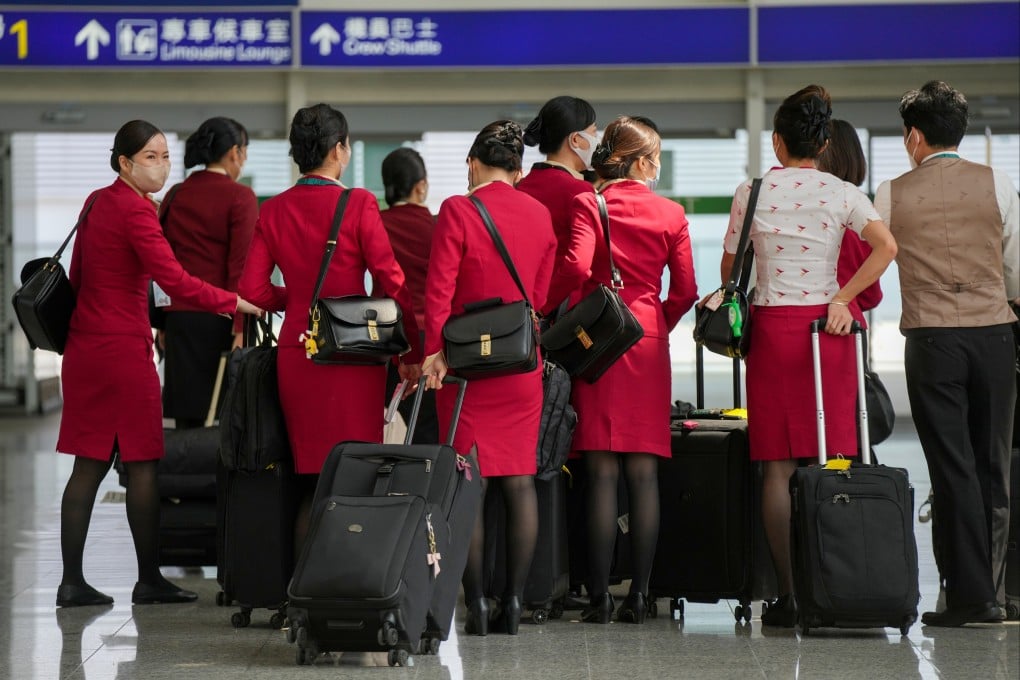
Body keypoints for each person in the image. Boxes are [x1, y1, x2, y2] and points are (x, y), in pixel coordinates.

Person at [55, 120, 263, 608]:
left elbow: (80, 275)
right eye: (151, 156)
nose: (162, 165)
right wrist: (233, 302)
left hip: (85, 348)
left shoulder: (96, 202)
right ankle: (149, 579)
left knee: (88, 464)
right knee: (144, 462)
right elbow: (175, 278)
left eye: (166, 155)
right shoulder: (136, 211)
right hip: (123, 353)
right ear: (125, 163)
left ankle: (71, 581)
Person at [717, 86, 896, 627]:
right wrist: (842, 297)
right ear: (822, 142)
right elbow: (887, 247)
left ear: (777, 141)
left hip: (771, 331)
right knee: (834, 459)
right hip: (828, 333)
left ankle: (789, 594)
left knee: (775, 466)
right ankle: (833, 588)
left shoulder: (752, 191)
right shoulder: (842, 192)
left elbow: (730, 274)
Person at [237, 103, 422, 557]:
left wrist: (299, 302)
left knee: (309, 476)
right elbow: (391, 281)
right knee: (354, 471)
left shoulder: (274, 209)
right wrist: (410, 350)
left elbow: (253, 290)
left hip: (298, 353)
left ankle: (303, 589)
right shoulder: (357, 203)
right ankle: (347, 581)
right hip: (354, 354)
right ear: (340, 150)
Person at [541, 115, 698, 624]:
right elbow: (687, 291)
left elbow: (575, 267)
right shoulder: (671, 212)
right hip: (646, 342)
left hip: (600, 343)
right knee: (644, 472)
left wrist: (550, 308)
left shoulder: (592, 202)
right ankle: (641, 594)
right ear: (642, 161)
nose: (657, 168)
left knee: (602, 470)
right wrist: (655, 324)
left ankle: (601, 597)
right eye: (654, 159)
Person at [873, 80, 1019, 627]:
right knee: (993, 465)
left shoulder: (891, 193)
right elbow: (1016, 271)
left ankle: (966, 594)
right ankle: (996, 593)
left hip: (932, 341)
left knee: (951, 467)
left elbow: (874, 262)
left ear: (914, 136)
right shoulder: (997, 184)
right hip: (995, 336)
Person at [421, 120, 556, 636]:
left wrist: (437, 352)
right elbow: (539, 296)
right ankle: (515, 603)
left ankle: (475, 603)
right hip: (522, 364)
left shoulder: (459, 208)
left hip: (466, 369)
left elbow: (439, 290)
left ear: (474, 164)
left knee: (467, 482)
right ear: (519, 171)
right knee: (520, 482)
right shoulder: (540, 213)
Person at [159, 116, 258, 429]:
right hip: (221, 320)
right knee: (226, 418)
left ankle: (189, 475)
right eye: (244, 151)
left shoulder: (176, 194)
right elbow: (239, 267)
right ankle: (219, 480)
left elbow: (163, 262)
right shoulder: (240, 197)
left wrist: (162, 321)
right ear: (233, 152)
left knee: (188, 418)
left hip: (178, 320)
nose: (243, 160)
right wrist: (241, 328)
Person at [375, 147, 438, 443]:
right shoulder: (438, 226)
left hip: (387, 340)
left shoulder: (376, 225)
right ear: (420, 186)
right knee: (428, 430)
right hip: (432, 340)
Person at [517, 95, 597, 299]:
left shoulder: (519, 188)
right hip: (564, 312)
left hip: (522, 310)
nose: (597, 141)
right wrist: (545, 303)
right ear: (576, 140)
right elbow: (579, 264)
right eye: (594, 133)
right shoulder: (579, 191)